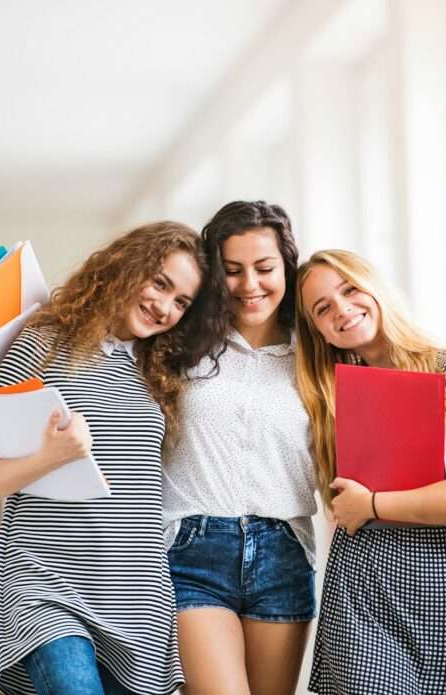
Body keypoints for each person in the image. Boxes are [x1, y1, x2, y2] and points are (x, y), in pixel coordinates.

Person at [0, 221, 213, 695]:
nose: (165, 306)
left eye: (181, 301)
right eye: (160, 283)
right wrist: (53, 455)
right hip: (45, 585)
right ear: (125, 266)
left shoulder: (159, 372)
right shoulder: (41, 342)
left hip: (139, 600)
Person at [295, 249, 446, 695]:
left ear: (374, 287)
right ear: (317, 329)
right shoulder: (326, 396)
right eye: (322, 308)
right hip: (363, 594)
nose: (341, 309)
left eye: (349, 289)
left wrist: (371, 505)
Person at [161, 201, 317, 695]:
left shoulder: (317, 357)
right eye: (232, 271)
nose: (250, 284)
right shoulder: (180, 346)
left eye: (265, 268)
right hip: (193, 548)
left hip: (283, 550)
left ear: (287, 267)